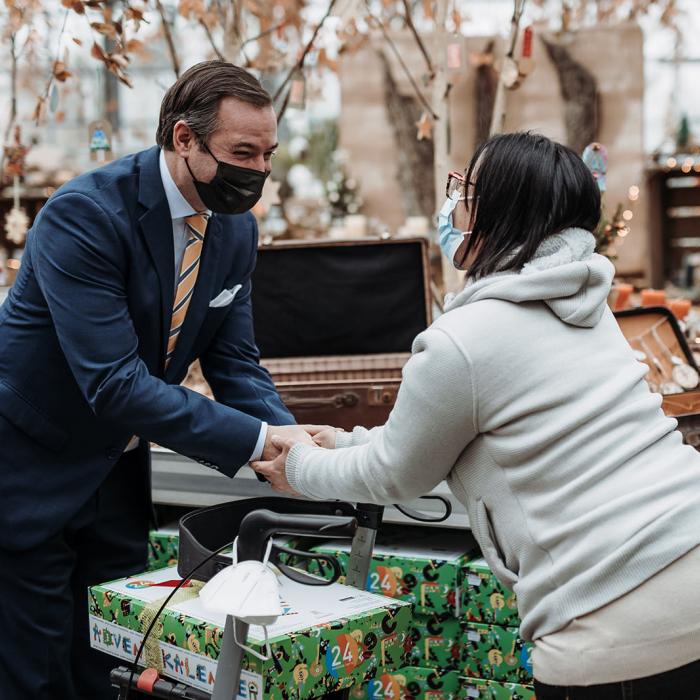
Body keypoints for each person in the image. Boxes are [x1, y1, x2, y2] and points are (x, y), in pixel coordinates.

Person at [253, 132, 700, 699]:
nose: (453, 205)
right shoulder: (585, 308)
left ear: (501, 211)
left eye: (463, 189)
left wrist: (301, 471)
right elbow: (461, 434)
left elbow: (398, 474)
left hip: (612, 621)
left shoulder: (462, 342)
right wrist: (341, 444)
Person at [0, 61, 321, 699]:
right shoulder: (84, 215)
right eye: (242, 153)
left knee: (116, 662)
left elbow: (234, 361)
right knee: (34, 675)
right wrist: (259, 443)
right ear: (183, 138)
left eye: (268, 154)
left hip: (116, 478)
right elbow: (115, 382)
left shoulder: (236, 229)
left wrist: (292, 444)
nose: (258, 171)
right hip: (29, 472)